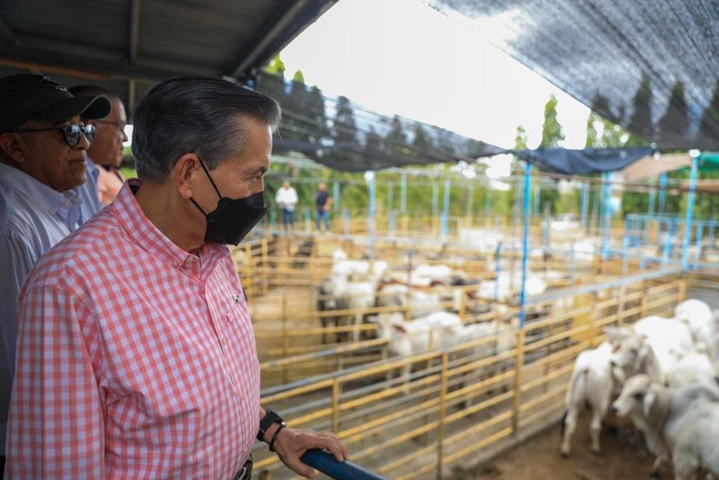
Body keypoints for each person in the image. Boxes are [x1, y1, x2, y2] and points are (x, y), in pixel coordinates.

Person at [6, 76, 348, 479]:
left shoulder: (214, 249)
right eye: (254, 174)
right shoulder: (69, 287)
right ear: (188, 175)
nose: (260, 192)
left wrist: (274, 432)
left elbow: (215, 381)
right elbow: (59, 469)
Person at [0, 73, 110, 476]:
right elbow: (22, 371)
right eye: (66, 132)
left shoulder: (48, 211)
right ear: (14, 145)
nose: (83, 143)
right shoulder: (12, 228)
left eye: (85, 128)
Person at [69, 85, 129, 205]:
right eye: (120, 127)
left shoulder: (90, 174)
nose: (125, 138)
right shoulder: (70, 179)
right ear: (92, 128)